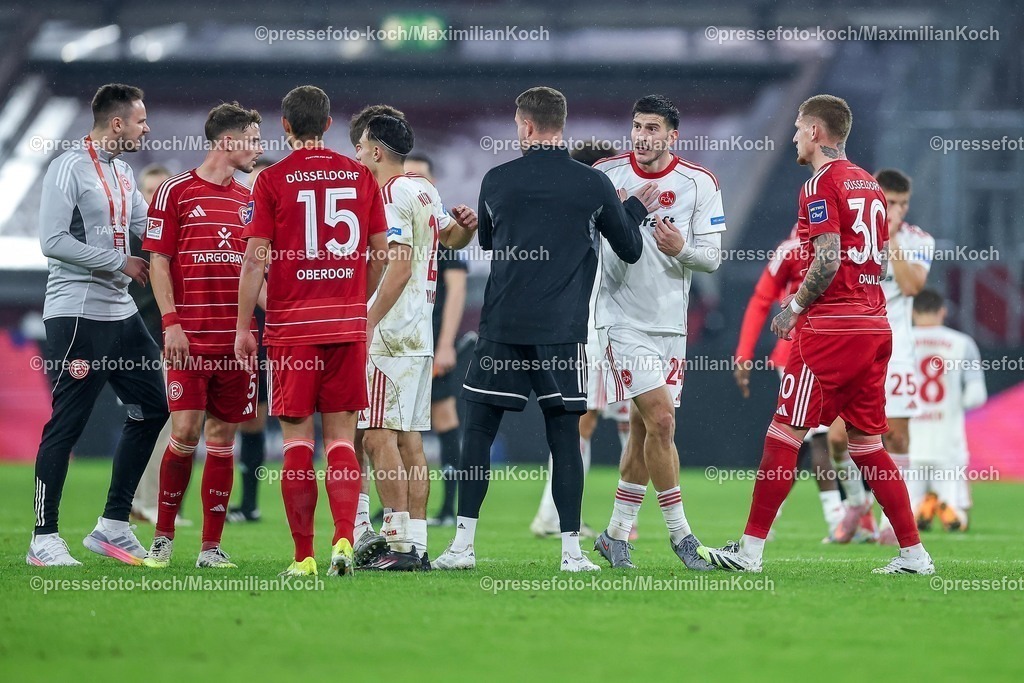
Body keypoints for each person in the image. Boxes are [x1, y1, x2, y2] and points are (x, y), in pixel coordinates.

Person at [698, 94, 934, 575]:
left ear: (816, 133)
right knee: (868, 443)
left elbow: (826, 259)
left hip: (832, 328)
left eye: (799, 128)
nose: (793, 137)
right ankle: (915, 555)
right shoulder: (869, 184)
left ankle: (750, 552)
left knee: (782, 433)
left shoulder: (819, 185)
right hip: (874, 323)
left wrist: (795, 307)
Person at [433, 86, 655, 572]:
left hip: (503, 326)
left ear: (527, 126)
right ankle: (572, 553)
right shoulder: (592, 185)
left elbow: (489, 242)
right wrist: (633, 208)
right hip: (562, 331)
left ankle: (462, 548)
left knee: (477, 433)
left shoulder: (496, 179)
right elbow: (631, 249)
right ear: (561, 124)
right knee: (564, 436)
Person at [235, 85, 390, 577]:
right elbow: (382, 252)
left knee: (298, 442)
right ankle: (345, 540)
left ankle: (303, 557)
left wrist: (244, 325)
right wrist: (355, 301)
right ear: (328, 125)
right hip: (346, 327)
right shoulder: (360, 175)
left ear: (284, 126)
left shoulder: (272, 180)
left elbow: (255, 259)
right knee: (343, 440)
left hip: (291, 328)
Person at [28, 83, 168, 567]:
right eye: (140, 120)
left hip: (122, 312)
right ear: (117, 123)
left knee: (155, 405)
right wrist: (117, 260)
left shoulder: (125, 171)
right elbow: (51, 240)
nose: (146, 127)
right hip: (76, 314)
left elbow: (145, 229)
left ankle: (111, 525)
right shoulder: (67, 167)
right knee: (67, 423)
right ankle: (43, 539)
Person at [590, 95, 724, 571]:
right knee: (663, 421)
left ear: (672, 136)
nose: (642, 136)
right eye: (637, 127)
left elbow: (712, 256)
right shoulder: (606, 175)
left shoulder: (698, 182)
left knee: (647, 431)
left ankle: (613, 534)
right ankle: (682, 537)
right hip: (619, 318)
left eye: (652, 128)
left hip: (670, 324)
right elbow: (584, 239)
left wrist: (682, 247)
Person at [140, 102, 264, 569]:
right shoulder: (174, 192)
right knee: (186, 430)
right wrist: (171, 323)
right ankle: (163, 537)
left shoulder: (251, 201)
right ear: (228, 142)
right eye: (252, 140)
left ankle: (210, 548)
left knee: (222, 437)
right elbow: (159, 261)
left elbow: (257, 275)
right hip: (188, 339)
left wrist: (291, 317)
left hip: (237, 341)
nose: (258, 149)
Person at [355, 114, 478, 569]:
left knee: (375, 435)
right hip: (419, 329)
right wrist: (469, 226)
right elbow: (451, 237)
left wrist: (367, 321)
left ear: (378, 152)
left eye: (362, 147)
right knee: (408, 438)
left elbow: (400, 266)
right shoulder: (422, 187)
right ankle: (418, 543)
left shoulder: (387, 194)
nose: (358, 154)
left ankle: (396, 540)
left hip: (391, 330)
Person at [530, 140, 632, 540]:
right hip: (588, 331)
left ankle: (553, 515)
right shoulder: (591, 212)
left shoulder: (566, 210)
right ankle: (552, 516)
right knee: (581, 422)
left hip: (587, 328)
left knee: (584, 422)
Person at [829, 168, 935, 544]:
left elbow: (911, 286)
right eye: (891, 203)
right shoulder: (850, 235)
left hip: (899, 352)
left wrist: (889, 240)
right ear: (875, 198)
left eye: (903, 203)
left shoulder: (918, 239)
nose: (898, 210)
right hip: (855, 349)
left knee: (898, 438)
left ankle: (893, 521)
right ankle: (857, 504)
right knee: (839, 439)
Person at [732, 226, 847, 541]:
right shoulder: (811, 247)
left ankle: (766, 519)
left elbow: (760, 299)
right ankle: (840, 520)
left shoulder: (802, 247)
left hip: (829, 349)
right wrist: (743, 354)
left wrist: (744, 354)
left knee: (797, 440)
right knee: (819, 438)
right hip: (806, 352)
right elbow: (761, 299)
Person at [404, 152, 470, 529]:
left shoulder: (440, 227)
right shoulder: (389, 217)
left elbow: (456, 289)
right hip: (393, 338)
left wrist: (445, 343)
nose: (414, 183)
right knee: (389, 425)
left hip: (429, 340)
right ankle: (397, 507)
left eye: (422, 177)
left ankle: (449, 507)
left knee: (443, 415)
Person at [908, 289, 987, 531]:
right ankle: (949, 508)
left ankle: (920, 508)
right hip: (948, 440)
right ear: (943, 311)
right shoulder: (962, 343)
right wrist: (953, 405)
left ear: (912, 311)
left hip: (908, 440)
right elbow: (976, 396)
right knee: (957, 505)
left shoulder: (900, 341)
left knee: (904, 508)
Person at [227, 156, 276, 524]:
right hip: (242, 325)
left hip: (275, 325)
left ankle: (250, 503)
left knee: (260, 418)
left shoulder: (283, 223)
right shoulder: (236, 218)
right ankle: (242, 502)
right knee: (237, 418)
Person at [129, 164, 178, 525]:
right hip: (145, 342)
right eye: (148, 193)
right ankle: (146, 503)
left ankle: (147, 502)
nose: (154, 200)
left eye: (161, 192)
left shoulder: (168, 237)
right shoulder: (137, 242)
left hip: (159, 341)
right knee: (158, 424)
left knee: (160, 424)